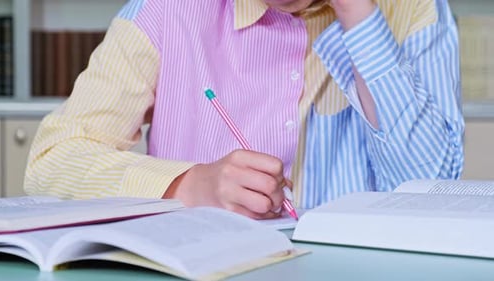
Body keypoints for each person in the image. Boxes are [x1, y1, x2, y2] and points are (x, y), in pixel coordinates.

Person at [25, 0, 464, 219]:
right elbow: (51, 161)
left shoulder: (415, 9)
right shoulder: (165, 12)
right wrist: (186, 184)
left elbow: (430, 192)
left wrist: (359, 15)